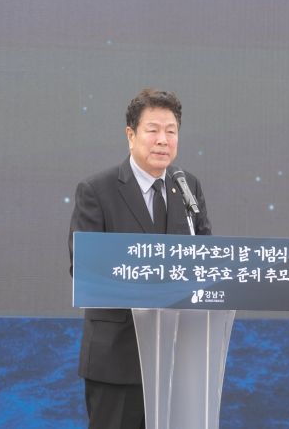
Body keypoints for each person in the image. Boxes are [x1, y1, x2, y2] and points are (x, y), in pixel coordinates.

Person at [68, 88, 211, 429]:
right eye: (153, 130)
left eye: (171, 131)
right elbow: (85, 269)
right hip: (118, 360)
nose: (163, 140)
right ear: (130, 135)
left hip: (178, 359)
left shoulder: (187, 186)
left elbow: (206, 258)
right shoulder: (97, 190)